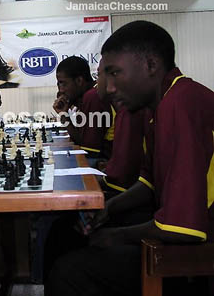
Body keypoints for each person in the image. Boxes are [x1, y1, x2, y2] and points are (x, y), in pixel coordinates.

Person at [45, 21, 214, 296]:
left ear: (150, 65)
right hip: (183, 234)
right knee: (69, 236)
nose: (108, 87)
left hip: (196, 254)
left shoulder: (180, 103)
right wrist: (108, 210)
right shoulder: (156, 107)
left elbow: (183, 228)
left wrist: (115, 235)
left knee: (70, 272)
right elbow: (149, 184)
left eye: (114, 73)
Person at [96, 59, 152, 196]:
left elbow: (122, 176)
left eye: (98, 75)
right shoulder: (124, 110)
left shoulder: (130, 112)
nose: (97, 82)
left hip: (134, 197)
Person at [53, 56, 112, 159]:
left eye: (63, 83)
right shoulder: (85, 98)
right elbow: (81, 140)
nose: (60, 90)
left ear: (79, 81)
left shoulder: (93, 96)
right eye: (58, 84)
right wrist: (64, 115)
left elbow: (89, 150)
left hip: (107, 164)